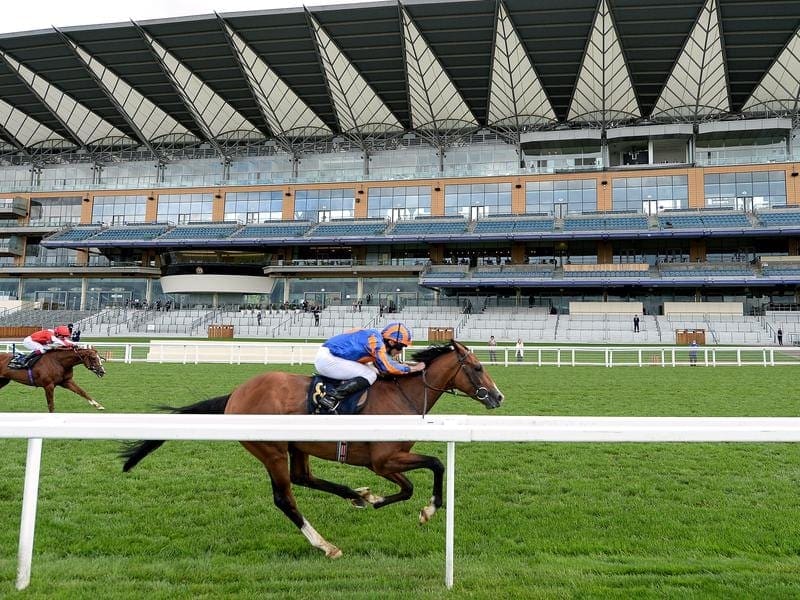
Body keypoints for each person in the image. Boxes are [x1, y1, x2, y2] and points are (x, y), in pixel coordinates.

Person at [314, 322, 425, 410]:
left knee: (374, 371)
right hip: (328, 359)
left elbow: (382, 366)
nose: (400, 352)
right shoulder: (376, 344)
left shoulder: (375, 337)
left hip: (332, 355)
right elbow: (387, 367)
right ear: (391, 342)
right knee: (370, 374)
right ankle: (331, 397)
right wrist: (413, 368)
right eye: (401, 347)